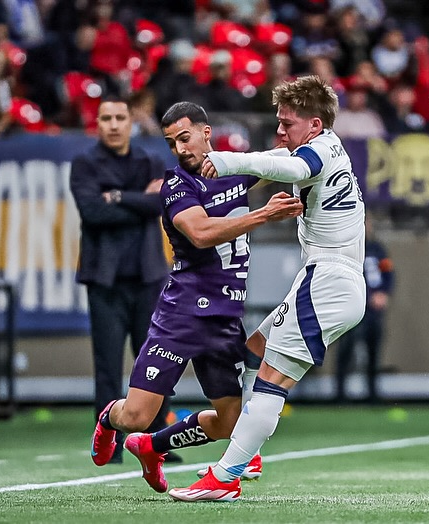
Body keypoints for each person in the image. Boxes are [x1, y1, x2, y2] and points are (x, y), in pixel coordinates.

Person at [169, 75, 366, 502]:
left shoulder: (316, 152)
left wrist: (227, 160)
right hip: (327, 280)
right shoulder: (326, 144)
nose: (279, 131)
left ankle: (226, 475)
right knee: (254, 350)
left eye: (287, 123)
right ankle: (247, 453)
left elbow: (292, 168)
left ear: (314, 125)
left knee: (272, 383)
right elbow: (287, 158)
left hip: (329, 281)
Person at [90, 101, 303, 493]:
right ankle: (109, 418)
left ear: (207, 133)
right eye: (173, 143)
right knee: (136, 415)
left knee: (232, 424)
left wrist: (306, 135)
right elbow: (202, 233)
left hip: (224, 319)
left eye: (185, 138)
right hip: (182, 315)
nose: (181, 149)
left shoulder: (234, 169)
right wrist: (262, 216)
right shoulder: (176, 185)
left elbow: (283, 159)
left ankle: (152, 447)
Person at [70, 95, 176, 464]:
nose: (113, 125)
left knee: (156, 362)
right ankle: (109, 445)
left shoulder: (150, 159)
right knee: (107, 364)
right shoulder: (85, 164)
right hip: (106, 279)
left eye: (119, 117)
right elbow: (92, 212)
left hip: (148, 276)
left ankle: (157, 442)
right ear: (96, 124)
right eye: (106, 118)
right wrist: (137, 202)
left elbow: (160, 204)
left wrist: (116, 197)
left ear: (131, 121)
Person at [335, 219, 394, 404]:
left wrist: (384, 293)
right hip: (353, 308)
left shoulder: (378, 249)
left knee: (374, 351)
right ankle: (340, 394)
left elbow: (388, 273)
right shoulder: (347, 248)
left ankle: (373, 393)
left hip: (373, 312)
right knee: (346, 350)